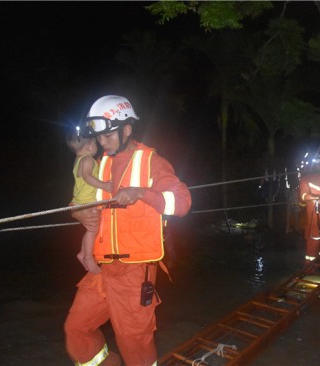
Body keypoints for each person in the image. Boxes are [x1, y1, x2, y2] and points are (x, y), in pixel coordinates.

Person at [64, 95, 192, 366]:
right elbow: (81, 199)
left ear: (127, 129)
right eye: (98, 137)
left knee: (134, 343)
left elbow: (182, 202)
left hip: (135, 273)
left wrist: (143, 193)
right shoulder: (103, 163)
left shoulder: (151, 162)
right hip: (100, 269)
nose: (101, 143)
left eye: (107, 136)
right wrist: (78, 212)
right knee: (76, 329)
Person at [66, 134, 113, 275]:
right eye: (95, 144)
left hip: (81, 200)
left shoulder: (78, 160)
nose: (97, 146)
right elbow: (87, 177)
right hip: (86, 201)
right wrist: (105, 186)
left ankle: (82, 253)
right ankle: (87, 257)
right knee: (92, 229)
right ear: (88, 146)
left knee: (91, 230)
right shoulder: (88, 160)